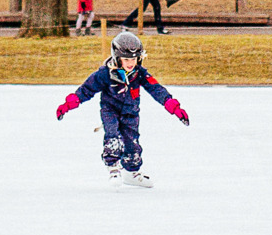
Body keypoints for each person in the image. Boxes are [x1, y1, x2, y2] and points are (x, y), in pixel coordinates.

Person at [56, 29, 187, 187]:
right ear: (117, 58)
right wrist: (68, 104)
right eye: (126, 59)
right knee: (113, 136)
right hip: (110, 111)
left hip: (130, 113)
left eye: (134, 59)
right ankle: (113, 168)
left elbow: (156, 89)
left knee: (132, 143)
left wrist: (174, 107)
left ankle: (132, 172)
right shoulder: (105, 74)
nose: (131, 63)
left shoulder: (139, 73)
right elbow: (86, 90)